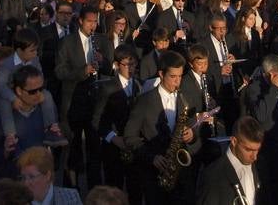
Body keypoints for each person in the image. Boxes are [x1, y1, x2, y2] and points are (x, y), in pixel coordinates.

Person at [123, 49, 199, 205]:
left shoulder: (185, 97)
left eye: (180, 76)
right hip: (154, 174)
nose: (177, 82)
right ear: (161, 74)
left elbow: (192, 124)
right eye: (172, 77)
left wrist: (192, 133)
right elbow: (129, 136)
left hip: (181, 173)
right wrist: (152, 157)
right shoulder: (144, 101)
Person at [55, 5, 114, 189]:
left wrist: (102, 61)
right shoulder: (67, 42)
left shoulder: (100, 41)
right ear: (80, 21)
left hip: (94, 101)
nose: (93, 25)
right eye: (89, 21)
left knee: (94, 149)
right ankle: (71, 191)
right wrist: (83, 71)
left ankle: (95, 191)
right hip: (74, 101)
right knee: (73, 149)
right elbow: (59, 71)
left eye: (95, 21)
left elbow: (109, 69)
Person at [243, 54, 278, 205]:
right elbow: (261, 115)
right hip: (269, 152)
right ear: (271, 75)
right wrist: (274, 89)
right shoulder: (255, 89)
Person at [91, 44, 142, 202]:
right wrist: (113, 138)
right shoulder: (107, 88)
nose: (130, 68)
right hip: (114, 148)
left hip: (134, 146)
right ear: (116, 65)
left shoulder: (139, 85)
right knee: (114, 192)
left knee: (136, 190)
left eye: (133, 64)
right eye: (126, 65)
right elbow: (96, 120)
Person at [197, 115, 267, 205]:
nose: (254, 157)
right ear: (234, 141)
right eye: (248, 150)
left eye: (257, 150)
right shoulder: (213, 175)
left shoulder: (261, 166)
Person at [18, 145, 83, 204]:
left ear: (47, 176)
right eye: (23, 178)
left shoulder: (71, 198)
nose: (26, 183)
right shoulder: (17, 202)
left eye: (31, 177)